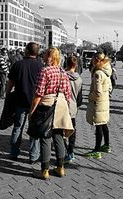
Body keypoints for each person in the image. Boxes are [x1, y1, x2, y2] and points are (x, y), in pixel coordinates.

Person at [29, 47, 73, 180]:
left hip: (47, 104)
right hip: (61, 105)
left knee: (45, 136)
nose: (42, 57)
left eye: (44, 55)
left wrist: (31, 111)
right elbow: (68, 94)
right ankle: (60, 168)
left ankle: (45, 170)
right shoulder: (63, 72)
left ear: (49, 57)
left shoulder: (45, 71)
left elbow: (38, 93)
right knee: (58, 135)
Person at [6, 42, 43, 164]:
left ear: (26, 51)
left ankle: (14, 153)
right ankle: (33, 156)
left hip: (20, 101)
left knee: (17, 128)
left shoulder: (18, 65)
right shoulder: (41, 66)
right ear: (37, 52)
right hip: (35, 103)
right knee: (34, 130)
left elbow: (9, 84)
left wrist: (8, 94)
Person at [86, 52, 112, 159]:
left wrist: (89, 97)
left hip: (98, 103)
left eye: (93, 59)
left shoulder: (98, 73)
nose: (91, 61)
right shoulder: (106, 71)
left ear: (97, 60)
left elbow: (97, 92)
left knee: (98, 126)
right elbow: (110, 88)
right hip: (104, 101)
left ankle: (97, 150)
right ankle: (106, 145)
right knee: (104, 123)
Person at [64, 55, 83, 163]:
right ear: (76, 65)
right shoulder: (79, 79)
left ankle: (63, 151)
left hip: (62, 106)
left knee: (60, 131)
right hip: (73, 108)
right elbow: (80, 98)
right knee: (72, 130)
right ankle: (71, 152)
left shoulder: (63, 76)